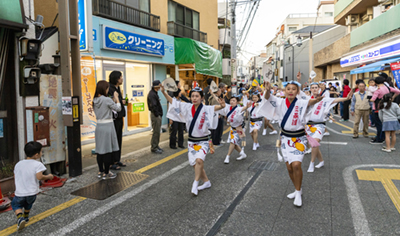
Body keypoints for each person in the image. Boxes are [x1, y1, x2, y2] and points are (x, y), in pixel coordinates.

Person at [258, 81, 323, 207]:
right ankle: (297, 188)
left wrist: (316, 100)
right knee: (289, 167)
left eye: (294, 89)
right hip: (285, 138)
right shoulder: (280, 101)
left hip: (299, 138)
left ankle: (298, 192)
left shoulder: (301, 102)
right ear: (284, 91)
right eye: (288, 89)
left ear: (297, 91)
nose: (291, 91)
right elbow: (267, 98)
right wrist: (267, 90)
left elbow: (310, 102)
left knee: (296, 165)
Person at [161, 86, 226, 196]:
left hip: (203, 141)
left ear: (201, 98)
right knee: (195, 164)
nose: (194, 98)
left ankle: (195, 183)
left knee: (199, 161)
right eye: (192, 96)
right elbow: (173, 102)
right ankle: (206, 182)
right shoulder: (187, 107)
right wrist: (163, 92)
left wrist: (222, 105)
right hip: (192, 142)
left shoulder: (206, 108)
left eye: (197, 96)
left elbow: (217, 108)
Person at [306, 82, 353, 173]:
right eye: (313, 88)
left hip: (320, 125)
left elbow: (336, 100)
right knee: (314, 145)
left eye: (316, 87)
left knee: (315, 143)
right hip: (308, 126)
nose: (315, 89)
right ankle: (321, 161)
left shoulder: (324, 99)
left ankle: (311, 163)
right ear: (310, 89)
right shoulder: (307, 99)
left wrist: (346, 98)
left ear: (319, 89)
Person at [11, 141, 54, 231]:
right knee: (28, 204)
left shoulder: (18, 164)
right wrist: (48, 176)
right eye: (41, 152)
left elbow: (15, 176)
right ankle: (26, 217)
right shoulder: (38, 164)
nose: (41, 153)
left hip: (20, 193)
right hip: (32, 192)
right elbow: (39, 177)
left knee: (16, 205)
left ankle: (20, 218)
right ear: (36, 154)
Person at [93, 80, 121, 179]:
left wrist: (112, 100)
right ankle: (107, 172)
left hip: (99, 126)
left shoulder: (95, 100)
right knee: (108, 151)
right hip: (108, 126)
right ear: (105, 89)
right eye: (107, 88)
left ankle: (101, 171)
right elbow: (118, 108)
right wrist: (117, 99)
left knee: (100, 150)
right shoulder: (106, 99)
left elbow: (105, 106)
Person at [219, 96, 251, 164]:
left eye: (233, 100)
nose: (232, 102)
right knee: (235, 144)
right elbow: (220, 102)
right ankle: (242, 154)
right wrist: (213, 94)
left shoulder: (239, 108)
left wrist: (247, 107)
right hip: (232, 129)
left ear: (237, 102)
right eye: (231, 100)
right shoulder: (228, 107)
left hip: (239, 129)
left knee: (233, 142)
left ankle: (227, 156)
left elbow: (244, 108)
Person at [370, 76, 400, 144]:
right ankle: (382, 137)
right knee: (382, 123)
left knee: (378, 124)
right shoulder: (388, 88)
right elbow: (398, 91)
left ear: (376, 83)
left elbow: (373, 99)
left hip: (377, 108)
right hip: (386, 107)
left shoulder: (378, 90)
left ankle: (380, 139)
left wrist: (369, 98)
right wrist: (392, 97)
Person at [108, 71, 126, 170]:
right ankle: (111, 162)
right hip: (113, 118)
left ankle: (117, 159)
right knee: (113, 140)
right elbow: (110, 102)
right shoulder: (110, 89)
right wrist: (117, 100)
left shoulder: (118, 88)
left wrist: (122, 101)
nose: (122, 79)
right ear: (116, 78)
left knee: (118, 139)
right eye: (121, 77)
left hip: (119, 117)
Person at [148, 80, 164, 154]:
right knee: (156, 132)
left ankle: (156, 146)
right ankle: (154, 147)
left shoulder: (154, 93)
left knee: (157, 131)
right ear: (156, 86)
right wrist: (157, 114)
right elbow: (153, 106)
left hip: (156, 115)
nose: (160, 87)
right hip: (155, 115)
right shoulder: (152, 94)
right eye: (159, 85)